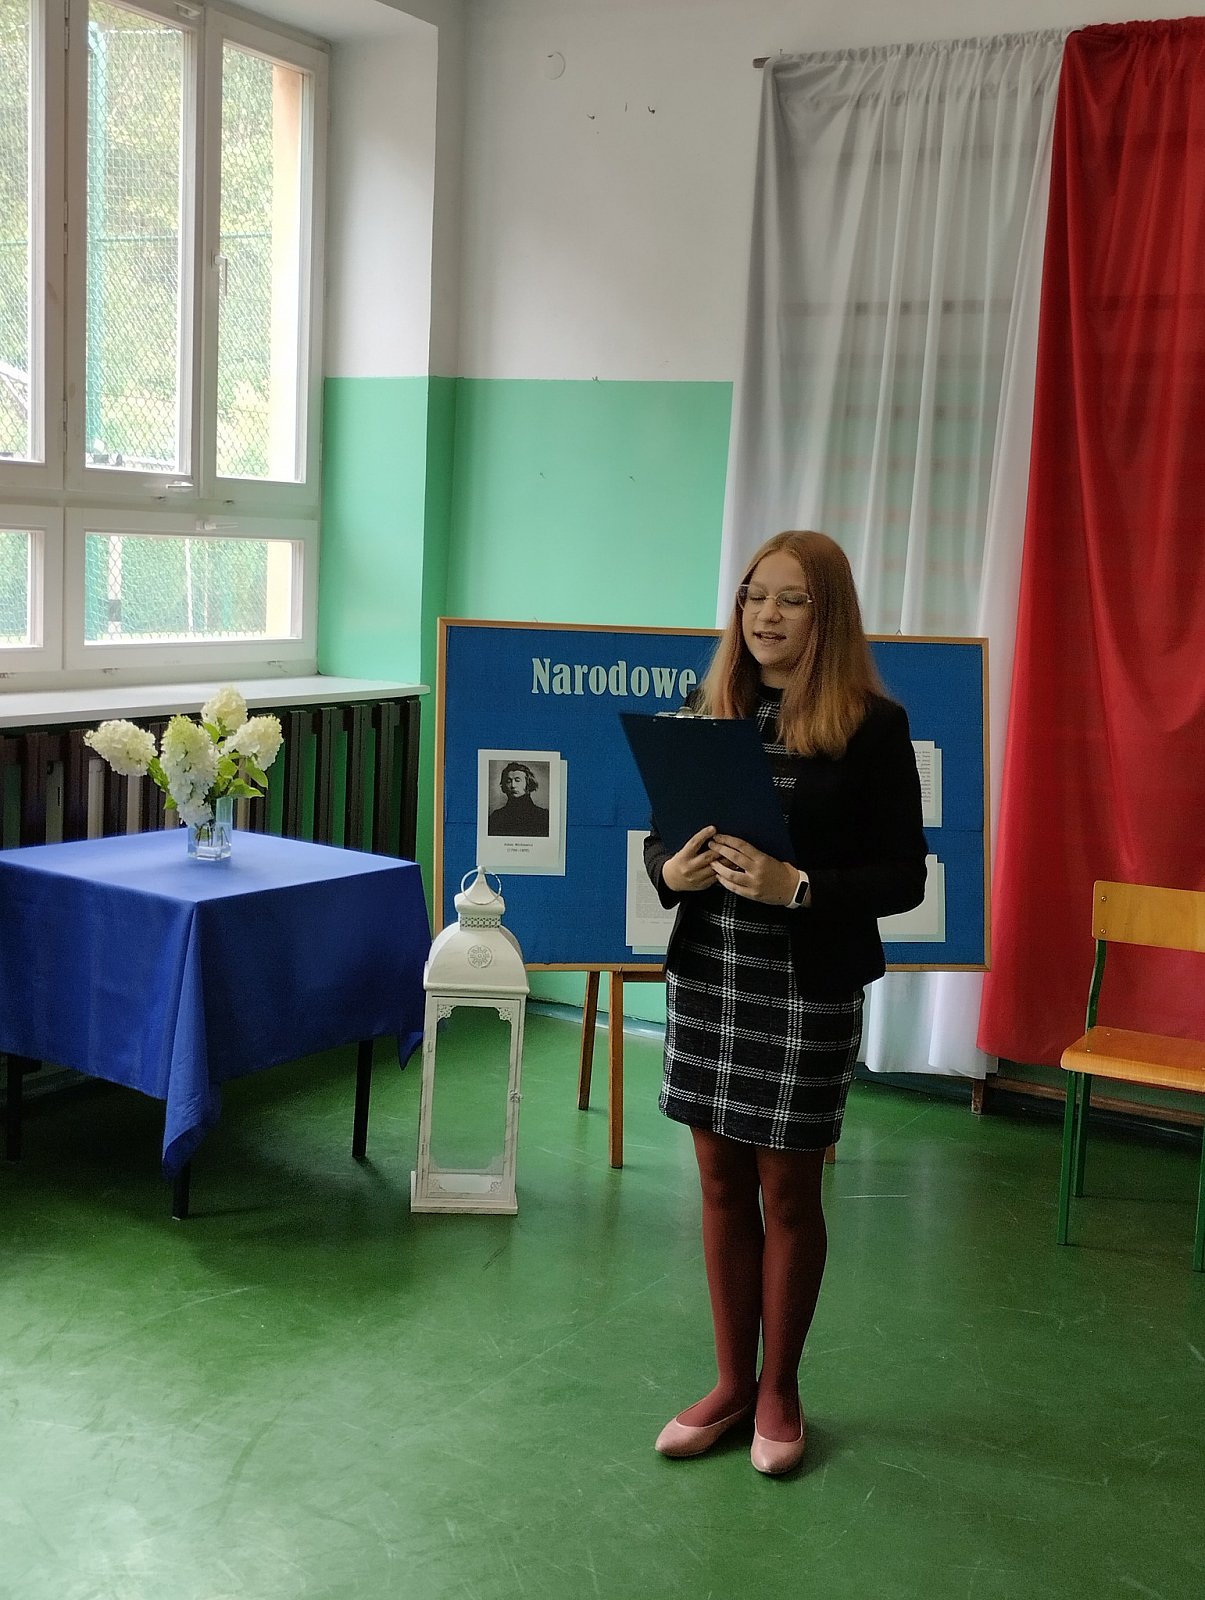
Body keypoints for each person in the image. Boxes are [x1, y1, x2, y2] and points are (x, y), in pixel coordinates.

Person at [643, 529, 927, 1476]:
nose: (765, 614)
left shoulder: (872, 727)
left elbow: (903, 877)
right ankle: (730, 1383)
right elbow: (659, 840)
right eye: (753, 595)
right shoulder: (706, 708)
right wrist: (671, 872)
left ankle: (779, 1391)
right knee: (720, 1183)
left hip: (805, 987)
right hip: (710, 974)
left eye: (790, 599)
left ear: (826, 614)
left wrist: (797, 887)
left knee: (787, 1192)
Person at [487, 761, 550, 836]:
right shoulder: (496, 817)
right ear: (504, 786)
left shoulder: (543, 816)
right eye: (508, 781)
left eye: (517, 780)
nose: (513, 785)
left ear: (528, 784)